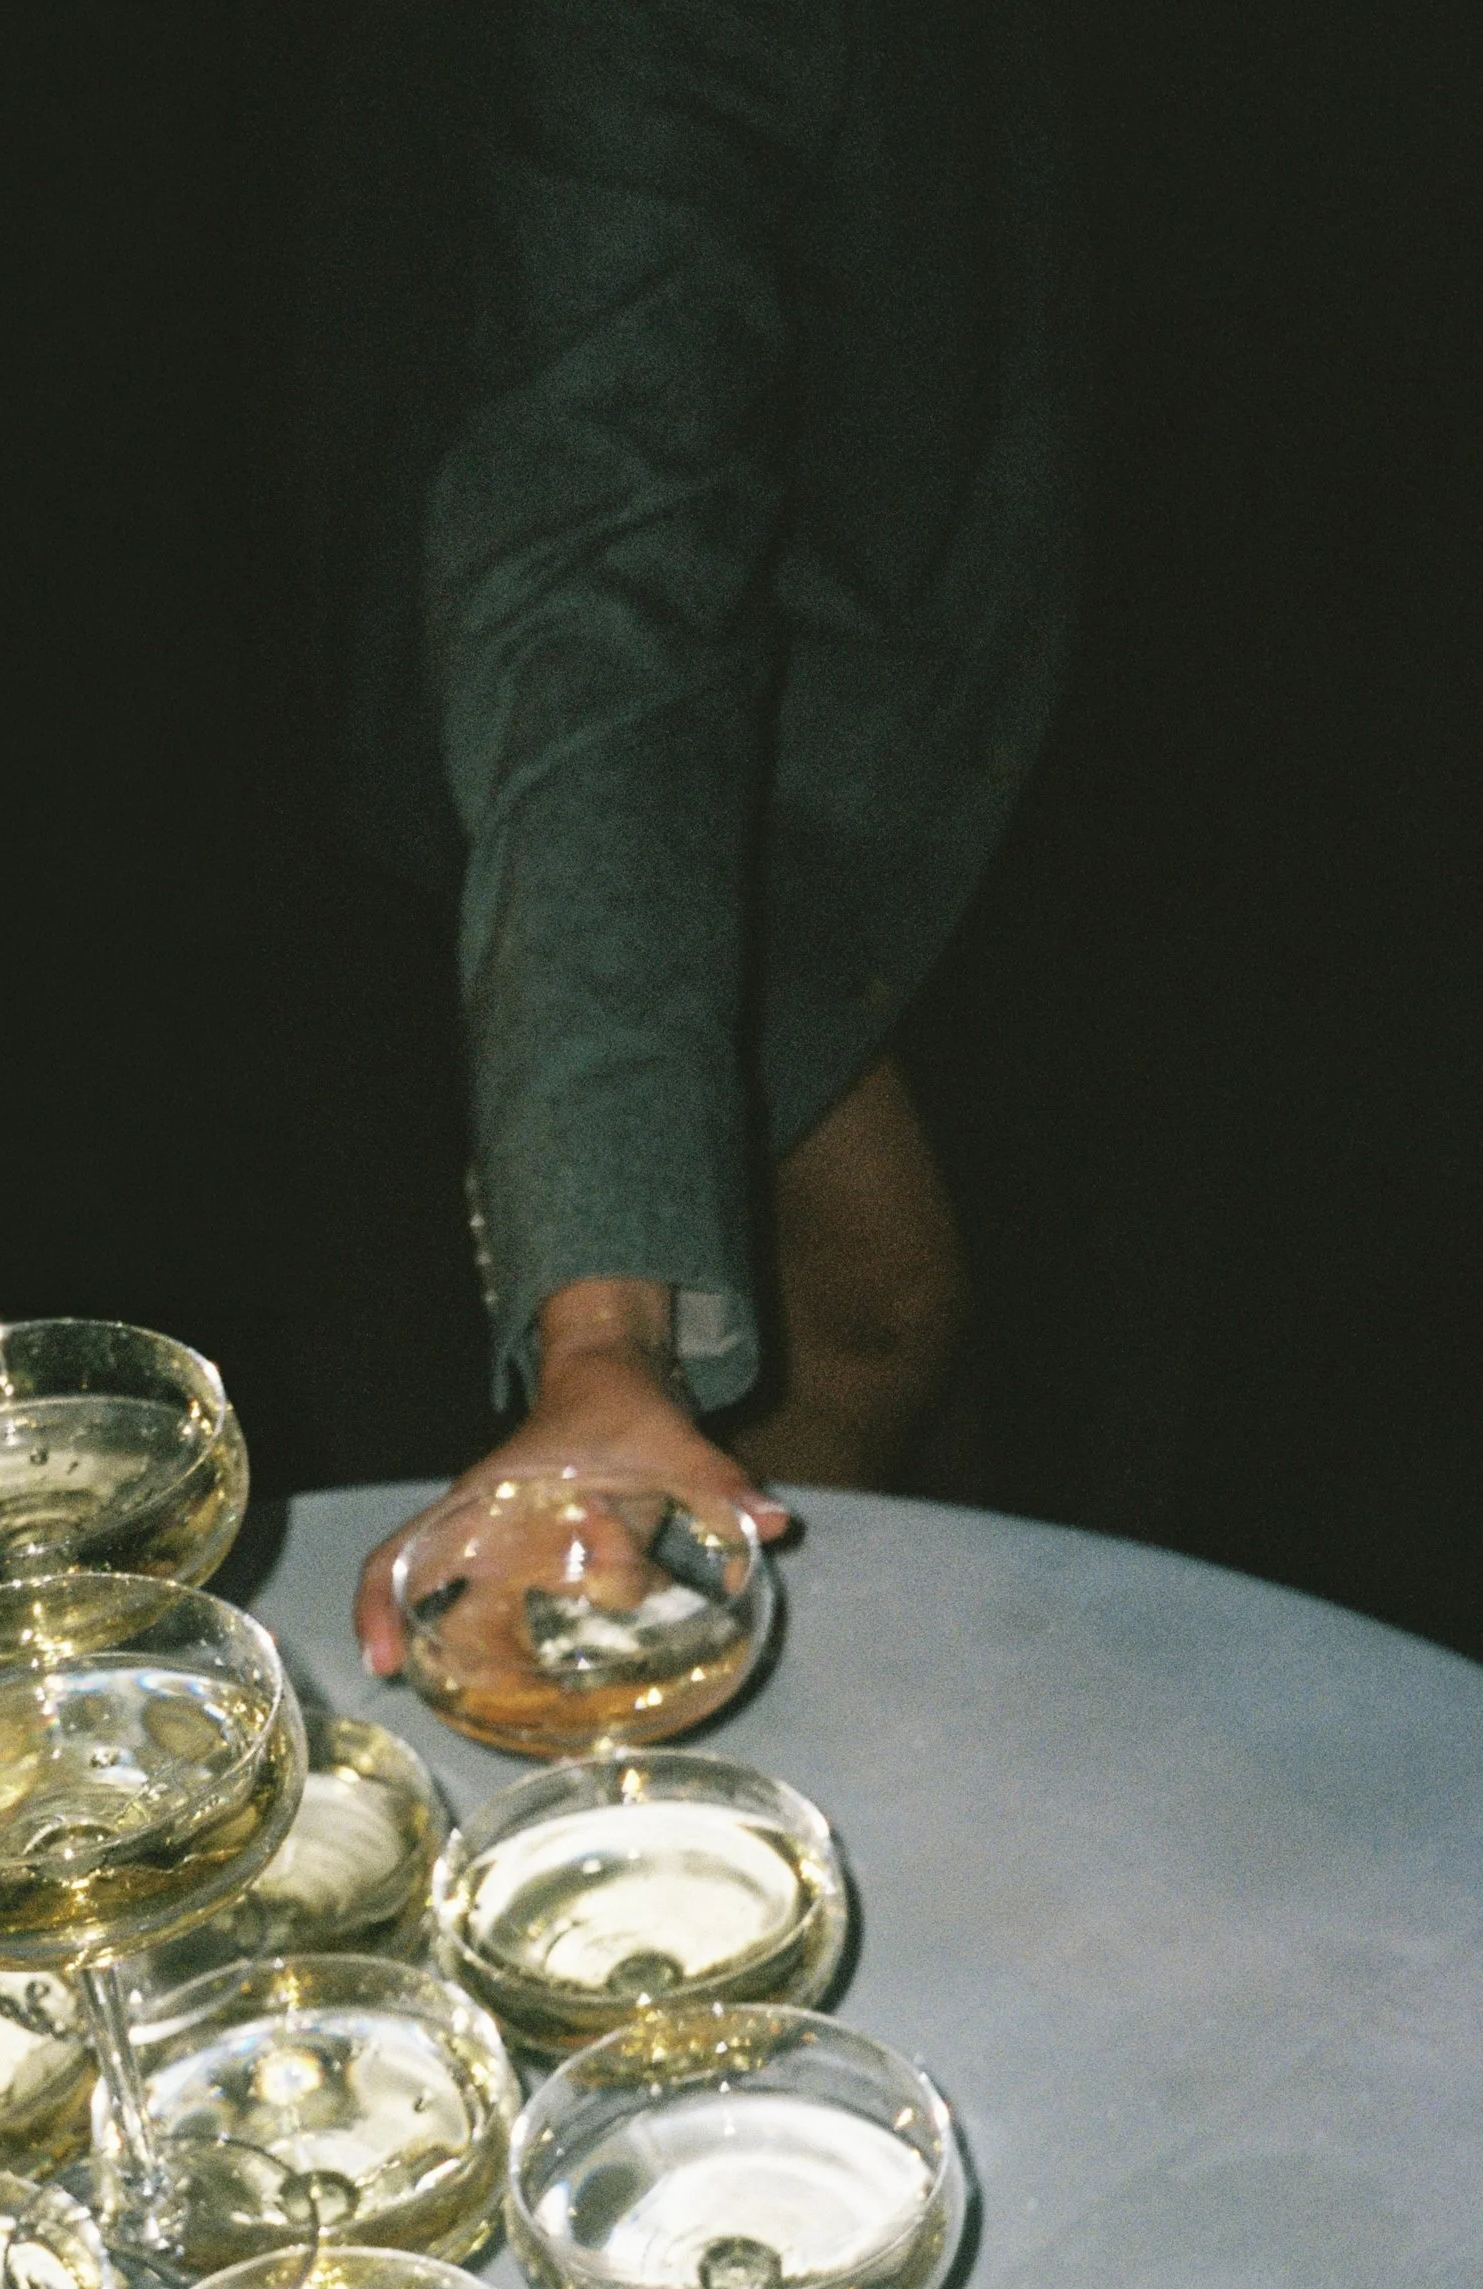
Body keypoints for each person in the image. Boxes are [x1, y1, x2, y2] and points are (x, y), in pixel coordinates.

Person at [282, 0, 1080, 1668]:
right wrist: (602, 1339)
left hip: (960, 641)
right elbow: (596, 583)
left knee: (953, 1333)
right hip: (651, 710)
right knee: (870, 1306)